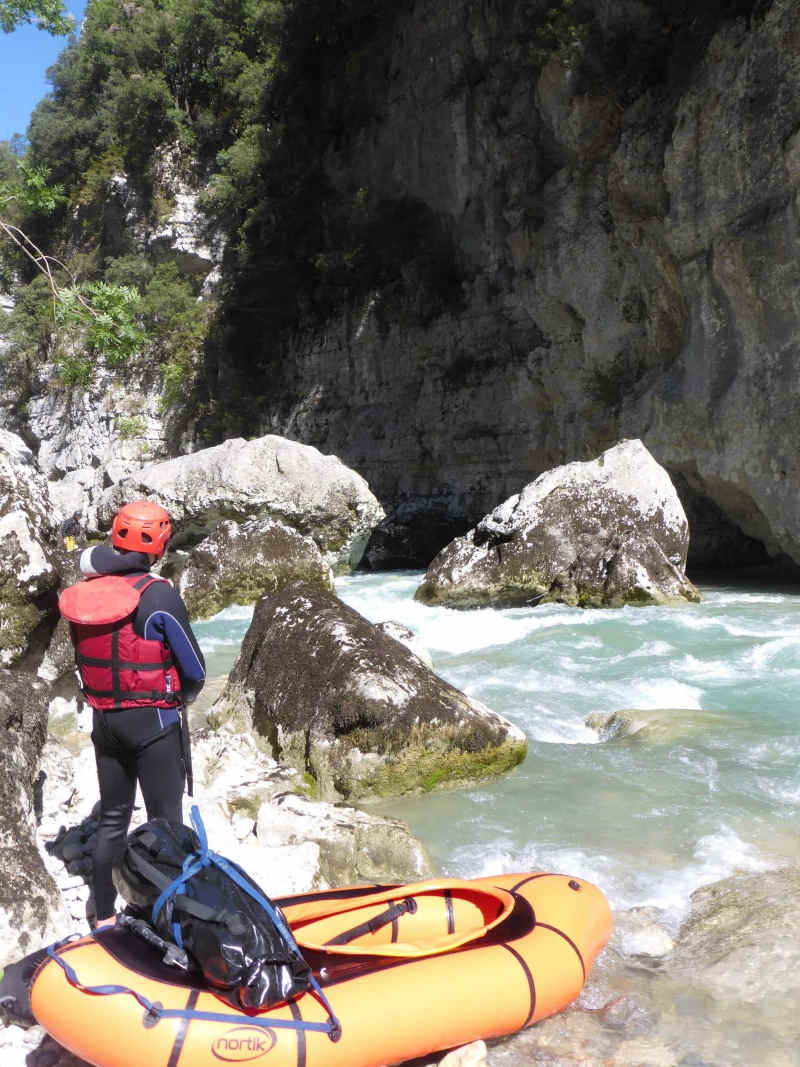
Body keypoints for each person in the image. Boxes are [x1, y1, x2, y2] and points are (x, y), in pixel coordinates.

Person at [58, 500, 206, 929]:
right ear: (159, 543)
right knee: (167, 826)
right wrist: (186, 698)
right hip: (154, 727)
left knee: (113, 819)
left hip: (105, 723)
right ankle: (168, 920)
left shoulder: (86, 592)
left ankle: (103, 916)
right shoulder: (159, 595)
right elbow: (194, 669)